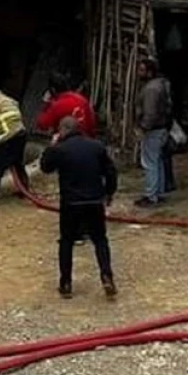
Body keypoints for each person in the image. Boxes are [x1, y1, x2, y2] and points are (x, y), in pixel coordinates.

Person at [40, 115, 118, 299]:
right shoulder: (96, 146)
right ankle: (106, 275)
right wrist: (109, 193)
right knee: (100, 239)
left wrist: (51, 146)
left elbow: (45, 167)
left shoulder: (60, 150)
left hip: (71, 203)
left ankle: (66, 283)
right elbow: (111, 171)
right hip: (94, 201)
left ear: (62, 130)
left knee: (66, 241)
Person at [136, 56, 172, 207]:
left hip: (154, 130)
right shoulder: (162, 85)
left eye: (142, 70)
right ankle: (159, 192)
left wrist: (143, 127)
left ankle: (151, 196)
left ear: (150, 72)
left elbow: (150, 113)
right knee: (157, 161)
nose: (139, 73)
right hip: (162, 127)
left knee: (150, 162)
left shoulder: (151, 89)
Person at [35, 73, 98, 139]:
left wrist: (46, 104)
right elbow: (92, 128)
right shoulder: (84, 101)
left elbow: (42, 125)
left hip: (69, 143)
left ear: (52, 90)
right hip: (87, 142)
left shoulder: (57, 104)